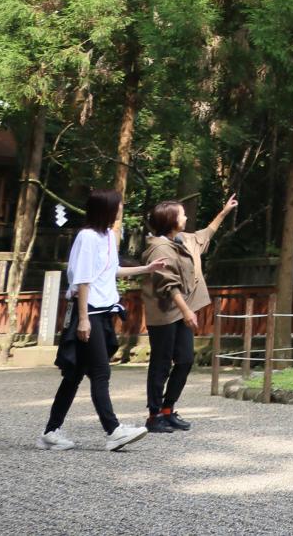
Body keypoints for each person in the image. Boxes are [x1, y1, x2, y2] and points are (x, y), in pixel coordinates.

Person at [39, 188, 173, 452]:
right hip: (89, 311)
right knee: (100, 372)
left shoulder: (109, 237)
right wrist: (83, 319)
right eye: (119, 206)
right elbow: (83, 279)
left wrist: (146, 269)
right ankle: (113, 431)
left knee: (74, 375)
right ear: (106, 209)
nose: (121, 209)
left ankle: (51, 431)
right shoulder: (87, 237)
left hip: (104, 310)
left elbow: (112, 271)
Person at [141, 192, 237, 433]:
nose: (186, 216)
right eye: (182, 213)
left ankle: (167, 409)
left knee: (185, 360)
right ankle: (154, 416)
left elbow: (205, 235)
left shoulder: (184, 239)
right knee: (161, 363)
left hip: (183, 311)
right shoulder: (158, 247)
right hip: (165, 314)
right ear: (171, 220)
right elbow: (168, 284)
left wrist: (224, 212)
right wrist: (186, 311)